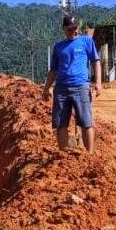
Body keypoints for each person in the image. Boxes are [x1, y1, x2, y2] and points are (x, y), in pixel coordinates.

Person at [41, 14, 103, 153]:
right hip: (61, 89)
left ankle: (90, 155)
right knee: (60, 124)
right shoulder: (59, 47)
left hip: (80, 87)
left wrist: (98, 82)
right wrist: (46, 88)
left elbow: (96, 62)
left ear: (77, 28)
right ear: (63, 29)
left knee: (86, 123)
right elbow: (53, 70)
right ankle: (63, 155)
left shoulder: (86, 41)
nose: (72, 31)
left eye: (74, 28)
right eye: (69, 28)